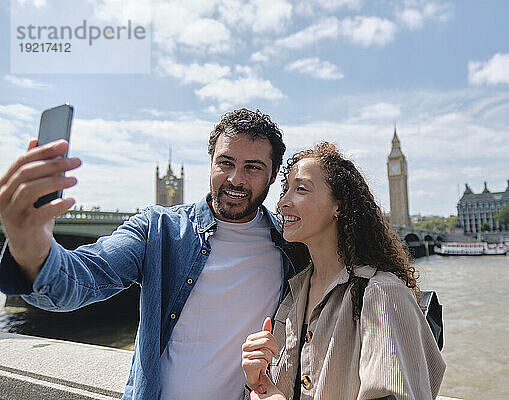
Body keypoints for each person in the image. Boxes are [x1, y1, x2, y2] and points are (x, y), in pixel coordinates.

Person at [0, 108, 296, 399]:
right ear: (210, 164)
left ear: (272, 177)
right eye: (225, 162)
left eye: (253, 167)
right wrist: (31, 246)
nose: (235, 179)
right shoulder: (158, 229)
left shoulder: (291, 243)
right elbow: (81, 279)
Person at [241, 142, 445, 400]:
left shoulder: (381, 293)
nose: (283, 202)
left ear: (338, 206)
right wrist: (256, 383)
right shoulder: (294, 294)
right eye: (286, 190)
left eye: (301, 189)